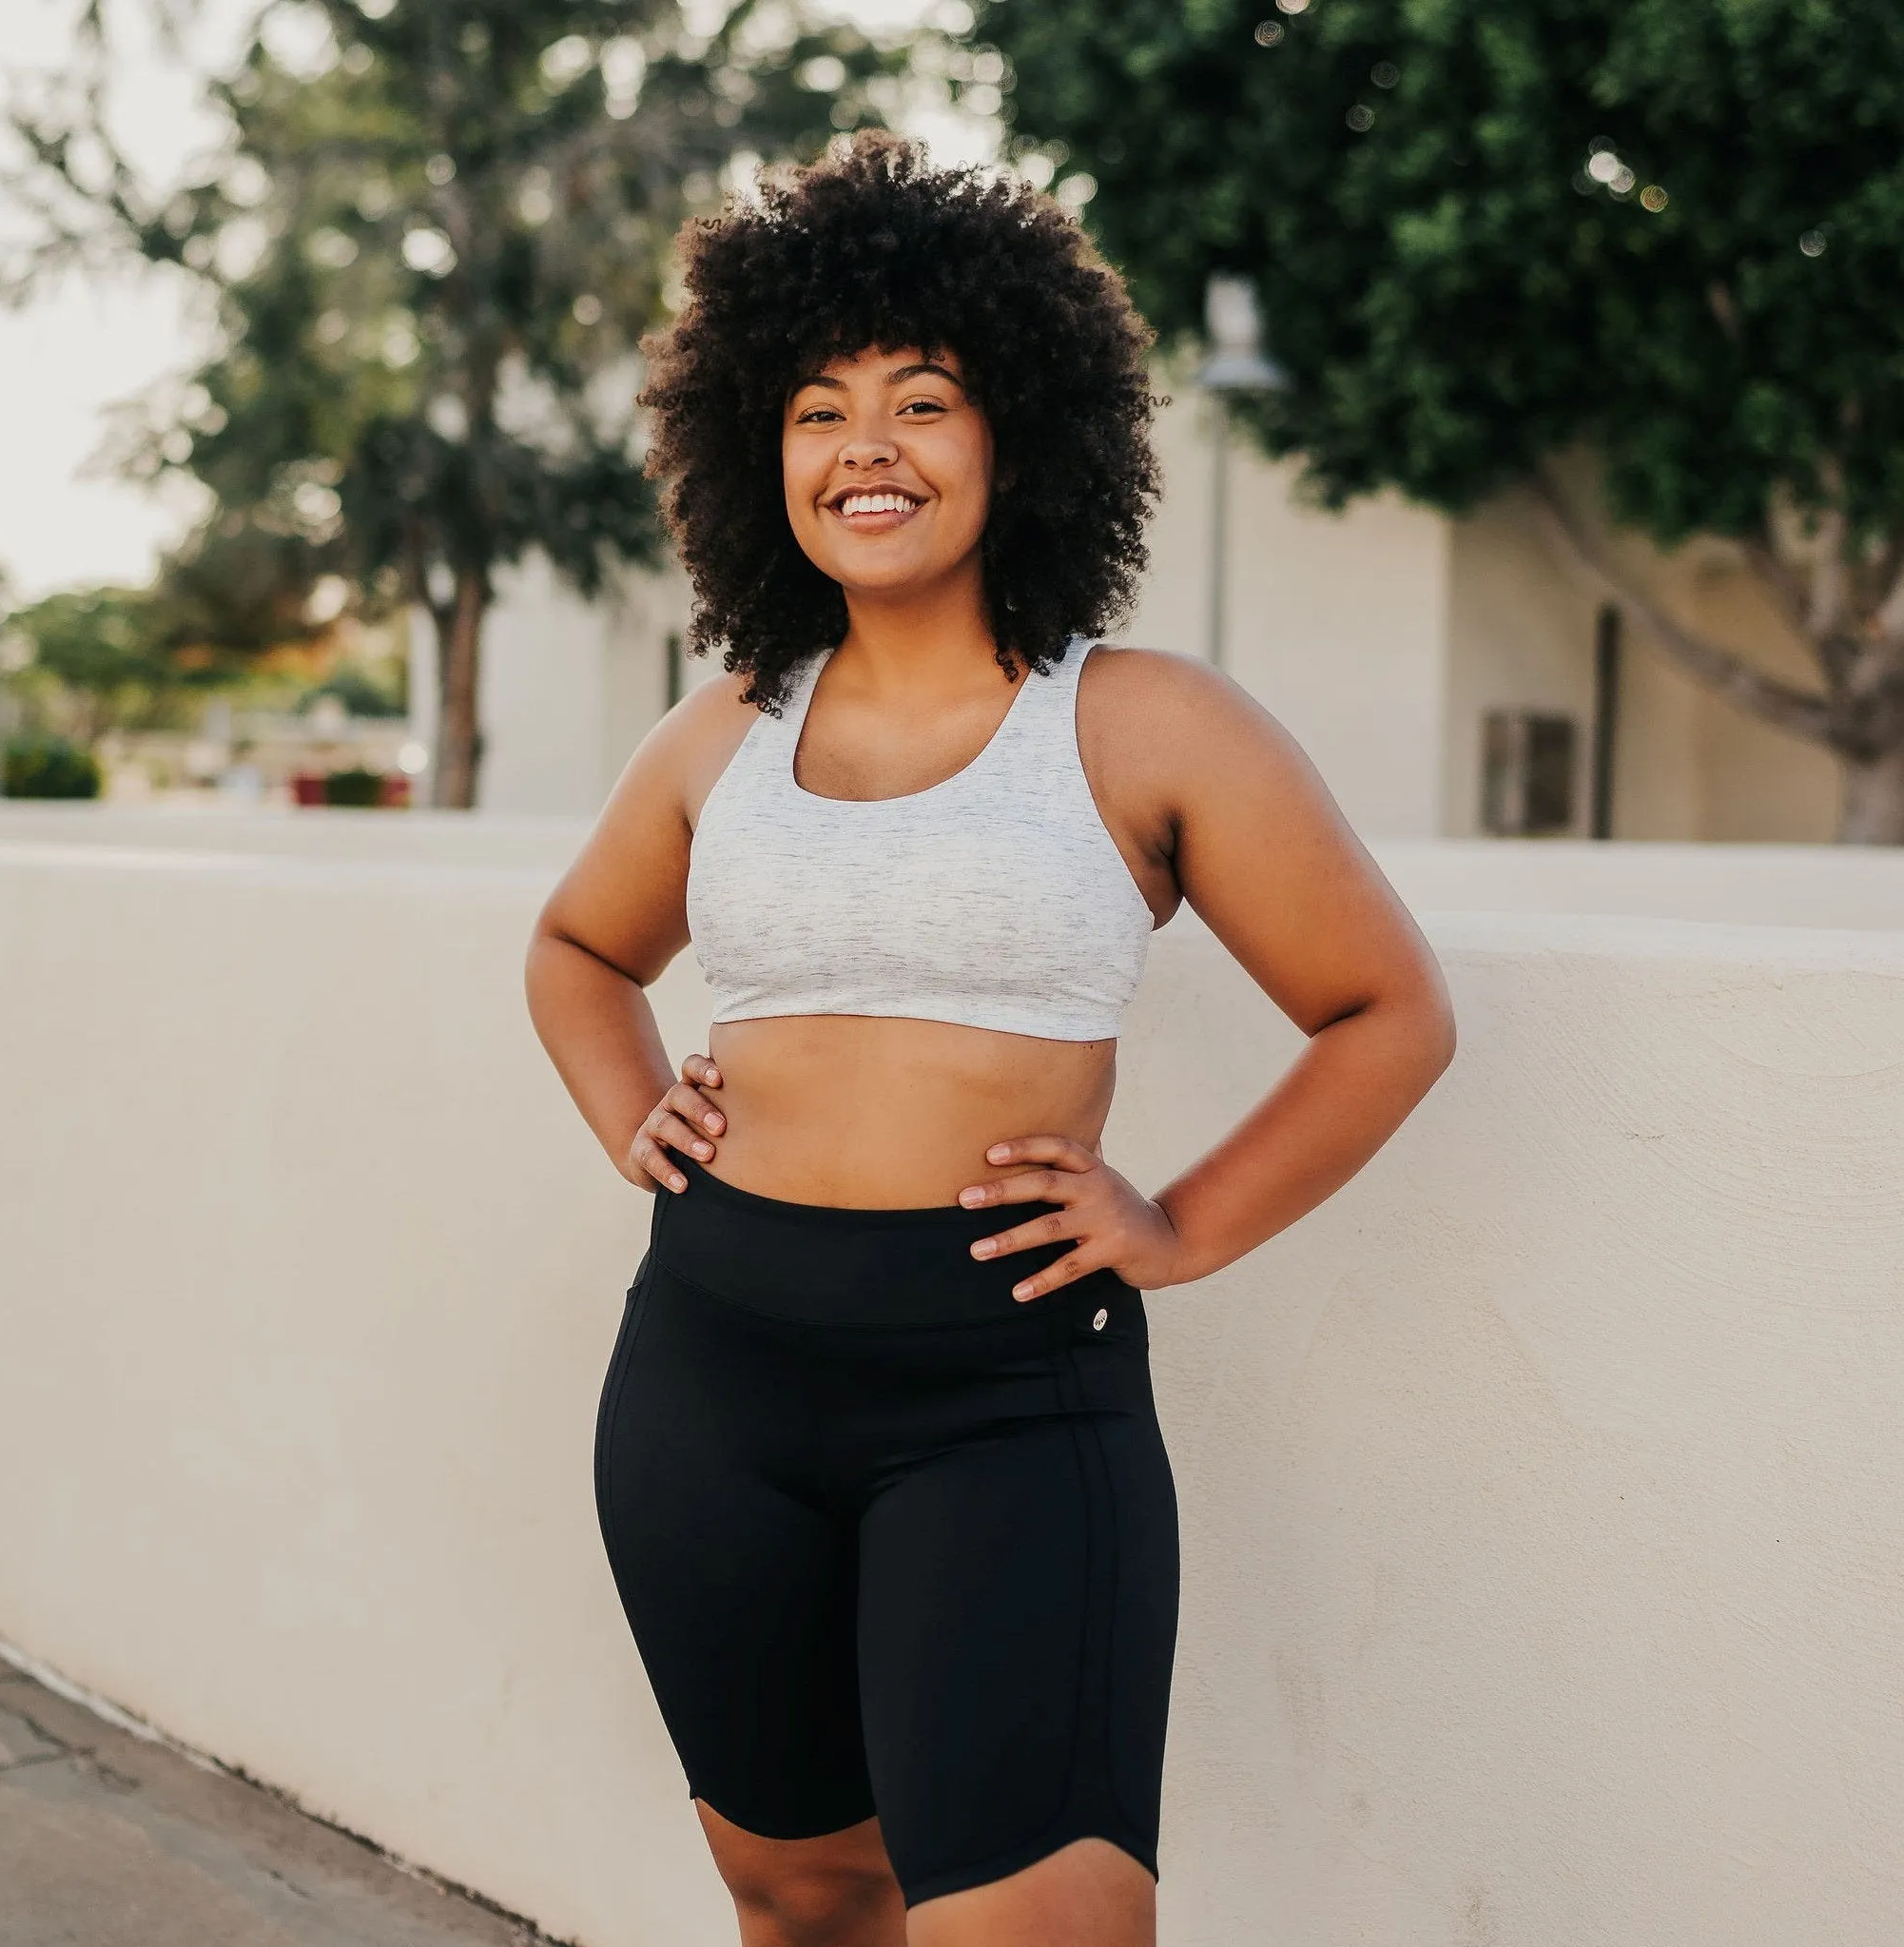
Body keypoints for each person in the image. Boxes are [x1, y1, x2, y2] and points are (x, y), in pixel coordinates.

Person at [526, 130, 1455, 1947]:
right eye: (815, 408)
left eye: (921, 399)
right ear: (752, 456)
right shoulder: (723, 723)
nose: (865, 447)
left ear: (1016, 433)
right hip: (709, 1372)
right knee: (795, 1894)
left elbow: (1386, 1013)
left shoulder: (1146, 722)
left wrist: (1174, 1225)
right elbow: (575, 945)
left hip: (1003, 1391)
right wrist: (631, 1109)